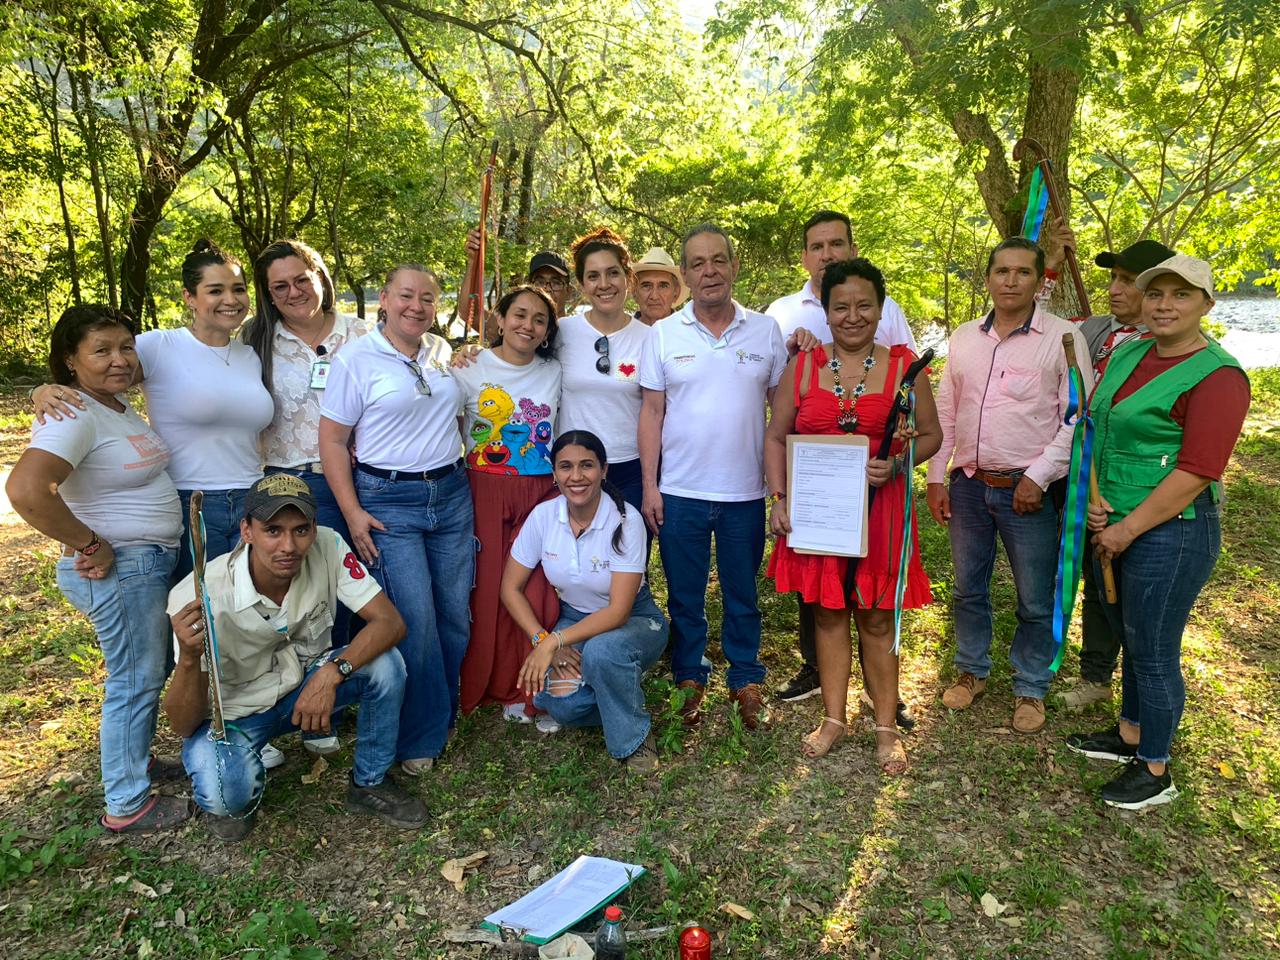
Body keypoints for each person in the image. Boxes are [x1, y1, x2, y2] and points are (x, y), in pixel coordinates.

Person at [1066, 255, 1249, 809]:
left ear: (1206, 305)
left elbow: (1197, 470)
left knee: (1154, 649)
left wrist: (1126, 530)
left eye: (1181, 295)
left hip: (1172, 532)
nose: (1165, 305)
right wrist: (1099, 506)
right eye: (1156, 294)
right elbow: (1100, 429)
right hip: (1115, 518)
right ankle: (1128, 735)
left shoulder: (1218, 376)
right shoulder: (1131, 352)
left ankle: (1156, 767)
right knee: (1130, 635)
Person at [7, 305, 190, 833]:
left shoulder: (111, 406)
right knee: (134, 678)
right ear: (70, 360)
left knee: (145, 672)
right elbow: (25, 490)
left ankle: (135, 761)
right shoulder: (76, 415)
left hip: (143, 565)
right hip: (121, 568)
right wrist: (90, 543)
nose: (119, 360)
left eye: (125, 347)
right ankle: (127, 803)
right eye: (101, 350)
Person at [165, 475, 427, 839]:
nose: (288, 545)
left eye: (300, 530)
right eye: (272, 530)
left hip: (302, 687)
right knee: (227, 796)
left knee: (385, 665)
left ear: (314, 528)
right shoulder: (197, 595)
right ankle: (238, 764)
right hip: (236, 715)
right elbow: (182, 725)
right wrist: (190, 660)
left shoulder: (330, 545)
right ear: (247, 531)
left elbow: (390, 623)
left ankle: (370, 782)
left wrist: (332, 673)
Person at [765, 259, 941, 770]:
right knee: (827, 611)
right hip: (818, 514)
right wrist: (778, 498)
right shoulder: (802, 367)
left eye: (864, 305)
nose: (852, 316)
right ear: (826, 311)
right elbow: (776, 435)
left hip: (881, 512)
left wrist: (902, 458)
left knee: (877, 615)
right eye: (840, 306)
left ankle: (886, 726)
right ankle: (834, 718)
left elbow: (931, 434)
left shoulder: (906, 367)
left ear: (881, 308)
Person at [30, 240, 274, 585]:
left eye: (238, 289)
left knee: (248, 613)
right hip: (193, 503)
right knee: (197, 619)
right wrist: (38, 390)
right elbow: (95, 370)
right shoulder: (160, 346)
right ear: (189, 297)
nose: (230, 300)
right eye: (215, 290)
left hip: (254, 501)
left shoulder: (250, 355)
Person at [926, 237, 1089, 734]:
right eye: (1002, 271)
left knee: (1034, 597)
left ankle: (1031, 686)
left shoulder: (1062, 338)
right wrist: (936, 475)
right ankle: (972, 671)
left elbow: (1077, 417)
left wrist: (1038, 477)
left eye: (1023, 272)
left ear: (1041, 281)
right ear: (989, 278)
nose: (1011, 281)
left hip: (1029, 491)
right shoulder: (964, 338)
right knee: (967, 588)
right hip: (970, 486)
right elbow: (948, 410)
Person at [318, 265, 473, 775]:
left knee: (453, 613)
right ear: (384, 299)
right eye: (406, 295)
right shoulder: (356, 360)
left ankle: (440, 709)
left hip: (451, 493)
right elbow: (334, 441)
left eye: (427, 298)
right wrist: (353, 513)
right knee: (417, 621)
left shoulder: (441, 353)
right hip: (388, 501)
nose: (417, 306)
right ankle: (419, 735)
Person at [639, 223, 788, 731]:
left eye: (718, 260)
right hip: (680, 491)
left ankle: (746, 676)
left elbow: (781, 414)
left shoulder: (766, 331)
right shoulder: (662, 334)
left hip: (745, 491)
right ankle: (690, 675)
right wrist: (648, 486)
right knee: (684, 592)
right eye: (698, 263)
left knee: (742, 590)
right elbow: (652, 414)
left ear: (734, 265)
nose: (709, 271)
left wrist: (780, 489)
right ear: (685, 276)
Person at [1055, 238, 1178, 711]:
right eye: (1113, 278)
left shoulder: (1172, 349)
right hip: (1091, 479)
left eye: (1128, 281)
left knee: (1143, 596)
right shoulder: (1096, 330)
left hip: (1147, 491)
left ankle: (1144, 693)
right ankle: (1097, 675)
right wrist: (1046, 267)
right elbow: (1038, 322)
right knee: (1097, 576)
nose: (1114, 289)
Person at [503, 431, 669, 769]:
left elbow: (619, 611)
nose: (576, 476)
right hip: (575, 619)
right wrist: (542, 638)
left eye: (586, 466)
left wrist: (555, 641)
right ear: (554, 474)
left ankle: (634, 740)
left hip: (636, 620)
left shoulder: (626, 520)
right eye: (565, 466)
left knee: (603, 651)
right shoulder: (544, 517)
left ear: (604, 470)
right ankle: (620, 684)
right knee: (560, 705)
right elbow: (510, 589)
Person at [452, 285, 563, 723]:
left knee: (537, 589)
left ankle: (532, 687)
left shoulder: (555, 371)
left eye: (539, 319)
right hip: (484, 488)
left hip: (540, 492)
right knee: (490, 588)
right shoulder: (467, 368)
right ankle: (491, 683)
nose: (527, 325)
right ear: (499, 318)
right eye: (519, 314)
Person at [556, 227, 652, 513]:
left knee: (627, 553)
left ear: (627, 278)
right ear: (582, 284)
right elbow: (512, 346)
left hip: (630, 469)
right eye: (593, 276)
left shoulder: (651, 338)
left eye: (612, 273)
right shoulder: (561, 331)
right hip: (573, 470)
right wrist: (472, 353)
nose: (604, 284)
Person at [630, 247, 688, 326]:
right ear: (634, 292)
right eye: (646, 286)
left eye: (663, 286)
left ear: (676, 292)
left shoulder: (690, 334)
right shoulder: (621, 333)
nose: (654, 296)